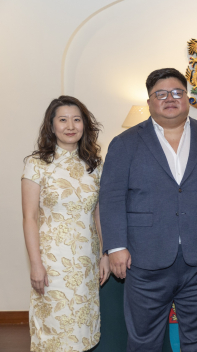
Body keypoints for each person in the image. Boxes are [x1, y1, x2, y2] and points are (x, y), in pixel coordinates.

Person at [99, 68, 197, 351]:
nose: (169, 99)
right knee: (143, 340)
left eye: (177, 92)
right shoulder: (124, 143)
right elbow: (111, 197)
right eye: (160, 94)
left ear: (188, 98)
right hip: (143, 258)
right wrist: (115, 248)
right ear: (149, 101)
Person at [21, 96, 110, 352]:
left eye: (77, 119)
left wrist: (104, 254)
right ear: (52, 125)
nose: (70, 126)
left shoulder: (95, 165)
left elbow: (98, 214)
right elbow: (29, 218)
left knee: (83, 328)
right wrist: (36, 264)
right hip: (52, 262)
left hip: (86, 261)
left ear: (84, 125)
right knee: (54, 328)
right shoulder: (37, 164)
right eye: (63, 119)